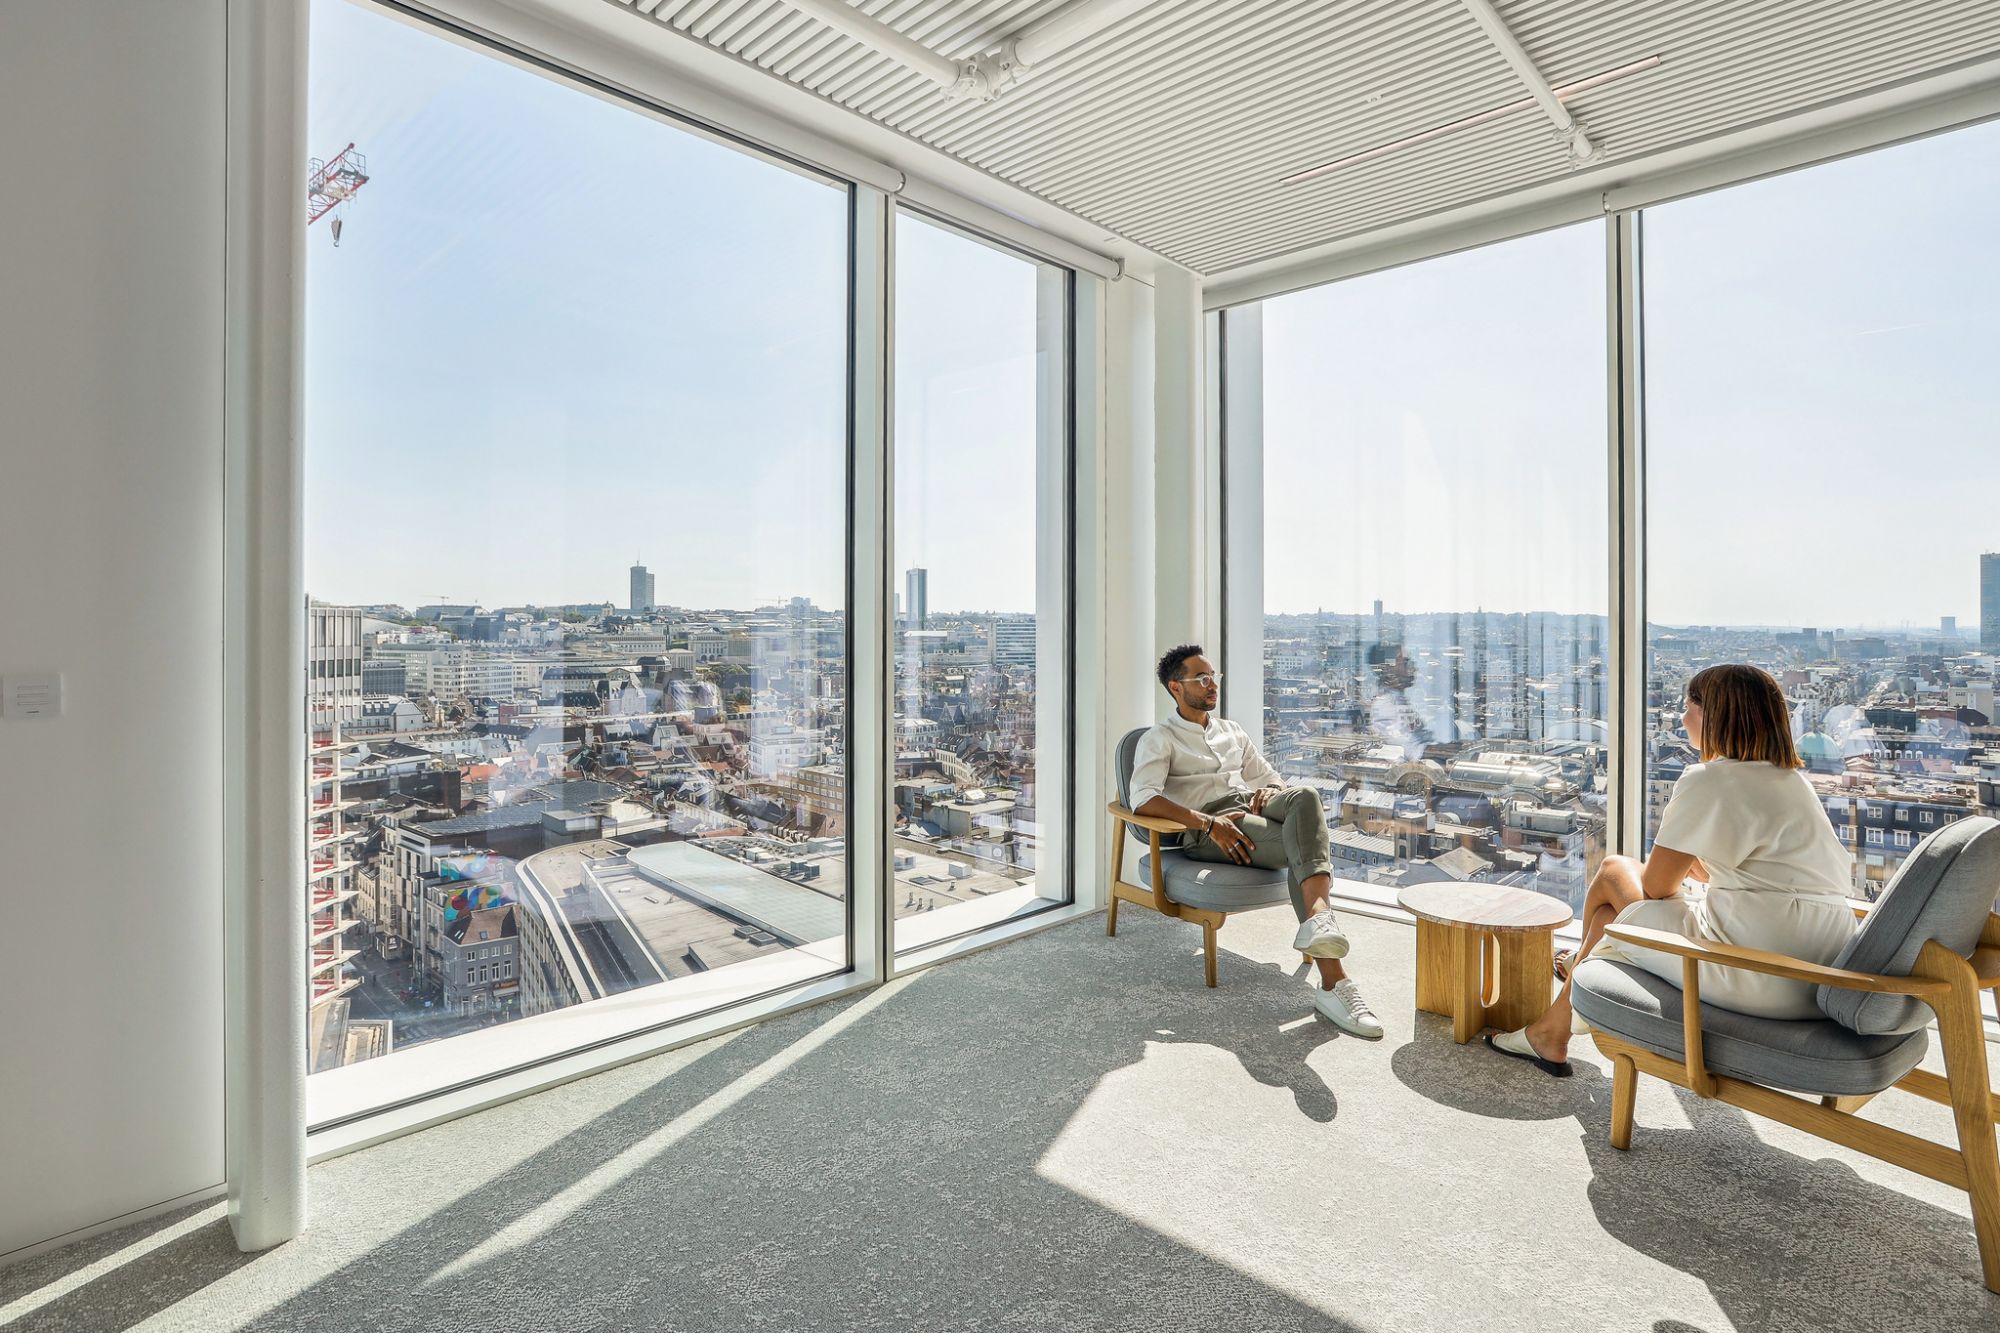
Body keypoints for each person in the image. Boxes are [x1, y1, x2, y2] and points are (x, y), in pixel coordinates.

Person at [1487, 663, 1859, 1076]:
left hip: (1757, 972)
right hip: (1820, 974)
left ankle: (1577, 969)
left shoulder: (1709, 780)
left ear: (1714, 716)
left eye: (1689, 707)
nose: (1682, 719)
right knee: (1609, 917)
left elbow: (1657, 886)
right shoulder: (1793, 782)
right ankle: (1551, 1032)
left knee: (1612, 870)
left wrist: (1686, 863)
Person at [1128, 645, 1382, 1038]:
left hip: (1249, 808)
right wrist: (1208, 823)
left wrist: (1271, 790)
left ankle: (1318, 924)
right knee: (1303, 848)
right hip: (1209, 829)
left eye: (1214, 676)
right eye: (1202, 678)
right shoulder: (1160, 738)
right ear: (1176, 687)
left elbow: (1268, 776)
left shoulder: (1232, 730)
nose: (1212, 684)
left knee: (1305, 796)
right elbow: (1143, 798)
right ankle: (1335, 982)